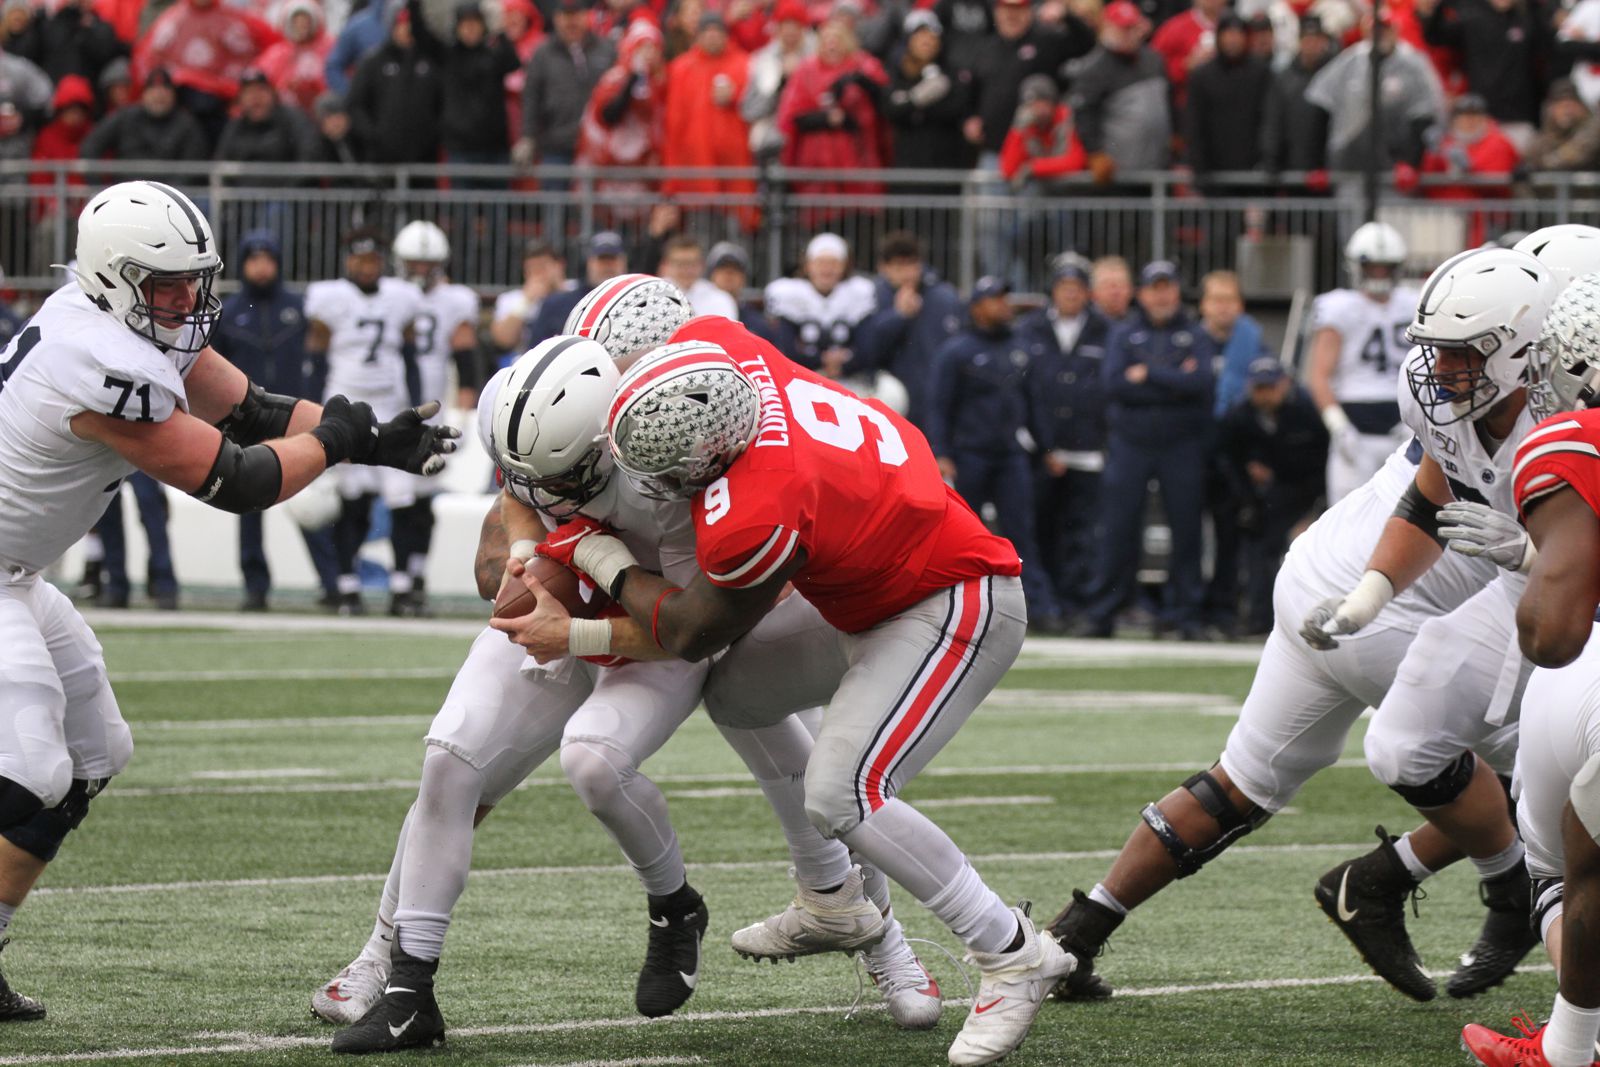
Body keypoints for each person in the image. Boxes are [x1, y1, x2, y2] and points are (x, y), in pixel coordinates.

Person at [318, 333, 946, 1051]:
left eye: (563, 476)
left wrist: (580, 607)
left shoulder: (668, 467)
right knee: (450, 757)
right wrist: (527, 563)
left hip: (663, 626)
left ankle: (687, 909)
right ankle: (405, 984)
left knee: (653, 756)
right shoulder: (526, 414)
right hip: (586, 606)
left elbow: (686, 630)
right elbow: (518, 499)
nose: (548, 491)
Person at [507, 315, 1073, 1067]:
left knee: (843, 793)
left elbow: (690, 630)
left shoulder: (758, 508)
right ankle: (831, 898)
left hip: (950, 600)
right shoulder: (720, 347)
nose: (653, 488)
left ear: (709, 455)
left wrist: (604, 559)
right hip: (870, 587)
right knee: (740, 696)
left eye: (666, 474)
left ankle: (1010, 952)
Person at [0, 180, 454, 1022]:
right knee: (30, 771)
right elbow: (238, 479)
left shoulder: (123, 320)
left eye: (192, 280)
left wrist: (376, 441)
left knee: (95, 753)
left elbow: (250, 411)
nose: (185, 300)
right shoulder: (97, 363)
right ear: (112, 278)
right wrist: (336, 442)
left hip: (16, 570)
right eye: (163, 284)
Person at [1301, 246, 1562, 1003]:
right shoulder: (1451, 398)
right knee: (1401, 742)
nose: (1442, 370)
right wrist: (1371, 593)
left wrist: (1542, 546)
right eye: (1437, 350)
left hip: (1580, 598)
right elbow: (1430, 491)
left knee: (1569, 788)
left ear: (1523, 347)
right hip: (1530, 588)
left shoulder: (1572, 407)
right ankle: (1513, 899)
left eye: (1461, 352)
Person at [1459, 273, 1600, 1066]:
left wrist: (1534, 561)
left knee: (1565, 860)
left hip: (1590, 679)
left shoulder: (1573, 439)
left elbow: (1552, 634)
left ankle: (1573, 1046)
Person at [1078, 260, 1214, 640]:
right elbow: (1114, 384)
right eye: (1155, 287)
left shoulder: (1194, 334)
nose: (1162, 295)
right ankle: (1103, 612)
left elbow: (1201, 383)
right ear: (1143, 293)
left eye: (1168, 287)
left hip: (1180, 444)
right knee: (1118, 529)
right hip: (1131, 443)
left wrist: (1149, 374)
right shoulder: (1125, 334)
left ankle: (1186, 616)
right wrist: (1175, 378)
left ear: (1177, 291)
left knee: (1187, 530)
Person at [210, 229, 341, 611]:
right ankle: (255, 585)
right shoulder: (229, 312)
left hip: (292, 416)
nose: (261, 267)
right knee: (247, 503)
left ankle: (331, 582)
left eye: (268, 259)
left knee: (307, 499)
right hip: (244, 419)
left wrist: (315, 401)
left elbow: (318, 360)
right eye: (254, 259)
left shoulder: (298, 308)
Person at [928, 276, 1064, 633]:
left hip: (1009, 454)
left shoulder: (1020, 347)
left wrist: (1047, 448)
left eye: (1005, 298)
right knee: (963, 535)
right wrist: (941, 451)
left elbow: (1033, 404)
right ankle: (956, 606)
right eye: (995, 299)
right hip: (969, 453)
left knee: (1021, 532)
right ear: (977, 306)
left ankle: (1038, 606)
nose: (1004, 305)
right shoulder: (956, 351)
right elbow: (939, 406)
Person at [304, 228, 426, 615]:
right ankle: (347, 584)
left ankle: (403, 586)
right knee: (352, 502)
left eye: (372, 259)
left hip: (391, 406)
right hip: (345, 406)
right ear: (346, 262)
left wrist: (418, 405)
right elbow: (316, 359)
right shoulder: (330, 300)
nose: (365, 267)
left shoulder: (401, 298)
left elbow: (409, 357)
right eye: (358, 259)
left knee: (402, 500)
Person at [387, 220, 481, 615]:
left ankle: (416, 578)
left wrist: (463, 411)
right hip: (391, 407)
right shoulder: (387, 295)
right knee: (398, 499)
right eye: (414, 263)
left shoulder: (455, 300)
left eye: (428, 264)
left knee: (423, 500)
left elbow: (465, 357)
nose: (421, 271)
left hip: (431, 406)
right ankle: (397, 581)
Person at [1017, 252, 1111, 617]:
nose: (1070, 294)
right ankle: (1045, 604)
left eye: (1077, 287)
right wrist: (1041, 445)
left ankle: (1077, 603)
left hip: (1089, 449)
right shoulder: (1029, 328)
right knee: (1041, 528)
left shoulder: (1106, 330)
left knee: (1083, 531)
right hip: (1042, 450)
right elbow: (1021, 390)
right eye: (1063, 287)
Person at [1306, 221, 1419, 503]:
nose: (1379, 273)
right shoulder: (1338, 306)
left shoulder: (1414, 302)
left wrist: (1421, 420)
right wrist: (1338, 425)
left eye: (1385, 266)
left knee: (1406, 515)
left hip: (1404, 425)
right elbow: (1318, 375)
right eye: (1372, 267)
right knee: (1348, 517)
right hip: (1354, 428)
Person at [1216, 358, 1328, 634]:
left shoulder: (1308, 413)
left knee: (1288, 553)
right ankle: (1256, 617)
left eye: (1270, 387)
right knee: (1255, 552)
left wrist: (1316, 510)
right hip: (1255, 498)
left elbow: (1323, 463)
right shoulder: (1239, 417)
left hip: (1301, 495)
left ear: (1284, 384)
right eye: (1259, 388)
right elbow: (1227, 459)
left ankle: (1288, 617)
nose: (1264, 394)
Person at [853, 230, 963, 434]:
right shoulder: (868, 296)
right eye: (898, 266)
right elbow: (867, 351)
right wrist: (898, 316)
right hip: (891, 401)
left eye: (912, 265)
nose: (907, 273)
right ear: (883, 267)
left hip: (938, 398)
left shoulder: (945, 296)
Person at [131, 0, 282, 144]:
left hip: (224, 101)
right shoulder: (171, 20)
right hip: (182, 100)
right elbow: (147, 58)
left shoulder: (236, 20)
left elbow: (274, 50)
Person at [661, 11, 756, 222]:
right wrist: (672, 179)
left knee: (736, 233)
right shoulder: (681, 68)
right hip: (695, 167)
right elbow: (673, 123)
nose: (712, 36)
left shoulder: (745, 64)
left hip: (736, 167)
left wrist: (737, 95)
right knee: (700, 231)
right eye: (707, 31)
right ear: (698, 35)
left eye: (717, 31)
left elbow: (759, 107)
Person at [409, 0, 521, 172]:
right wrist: (415, 4)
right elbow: (421, 35)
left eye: (475, 23)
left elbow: (513, 62)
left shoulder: (492, 55)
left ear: (483, 26)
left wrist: (500, 31)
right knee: (462, 199)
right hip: (460, 148)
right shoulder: (448, 56)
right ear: (457, 27)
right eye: (465, 23)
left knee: (497, 198)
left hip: (495, 147)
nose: (470, 28)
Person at [1065, 1, 1170, 182]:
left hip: (1158, 168)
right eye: (1122, 28)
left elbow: (1168, 101)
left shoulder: (1154, 60)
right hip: (1119, 174)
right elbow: (1083, 115)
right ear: (1108, 28)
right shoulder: (1094, 68)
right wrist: (1095, 152)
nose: (1128, 34)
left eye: (1131, 28)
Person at [763, 232, 877, 380]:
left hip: (850, 377)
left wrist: (845, 364)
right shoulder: (788, 293)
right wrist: (821, 361)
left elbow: (866, 348)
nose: (827, 269)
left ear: (844, 266)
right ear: (807, 265)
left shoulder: (858, 292)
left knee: (891, 393)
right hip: (802, 377)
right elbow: (787, 350)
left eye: (834, 263)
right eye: (820, 262)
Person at [345, 5, 444, 166]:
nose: (406, 31)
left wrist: (433, 135)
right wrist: (375, 136)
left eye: (409, 26)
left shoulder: (431, 60)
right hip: (383, 158)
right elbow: (355, 105)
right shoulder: (373, 62)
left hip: (424, 157)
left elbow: (445, 102)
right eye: (400, 25)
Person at [78, 66, 209, 164]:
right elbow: (90, 146)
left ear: (173, 95)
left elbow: (194, 164)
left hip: (169, 195)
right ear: (144, 94)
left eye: (165, 90)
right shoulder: (125, 117)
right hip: (128, 195)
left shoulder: (186, 124)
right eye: (153, 90)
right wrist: (99, 188)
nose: (159, 95)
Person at [523, 231, 628, 347]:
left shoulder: (638, 301)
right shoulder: (557, 304)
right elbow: (536, 351)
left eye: (612, 260)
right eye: (601, 260)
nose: (607, 267)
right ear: (589, 263)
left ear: (624, 262)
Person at [1261, 14, 1333, 177]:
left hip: (1327, 171)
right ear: (1299, 42)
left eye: (1317, 40)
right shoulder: (1284, 78)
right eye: (1307, 39)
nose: (1312, 45)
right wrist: (1271, 159)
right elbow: (1274, 121)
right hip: (1293, 169)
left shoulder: (1334, 74)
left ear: (1324, 42)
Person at [490, 240, 568, 358]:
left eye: (542, 267)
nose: (538, 274)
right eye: (531, 269)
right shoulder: (512, 299)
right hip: (528, 364)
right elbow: (503, 340)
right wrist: (526, 302)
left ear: (559, 266)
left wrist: (560, 291)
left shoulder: (577, 291)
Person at [254, 0, 330, 114]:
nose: (301, 26)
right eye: (296, 22)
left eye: (305, 21)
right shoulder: (276, 53)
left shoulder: (329, 48)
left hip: (320, 111)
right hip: (283, 113)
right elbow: (260, 83)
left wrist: (310, 86)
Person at [1527, 77, 1600, 174]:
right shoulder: (1546, 135)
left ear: (1582, 107)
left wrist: (1542, 165)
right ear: (1551, 109)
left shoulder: (1593, 128)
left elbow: (1578, 152)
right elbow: (1531, 157)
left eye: (1571, 105)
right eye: (1562, 106)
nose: (1567, 112)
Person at [658, 233, 738, 319]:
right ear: (665, 265)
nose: (686, 270)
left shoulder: (720, 299)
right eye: (680, 264)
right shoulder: (654, 295)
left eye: (692, 264)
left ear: (702, 265)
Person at [1090, 255, 1134, 323]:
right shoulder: (1082, 328)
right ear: (1093, 293)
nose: (1115, 292)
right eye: (1107, 286)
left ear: (1131, 290)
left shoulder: (1145, 325)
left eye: (1120, 285)